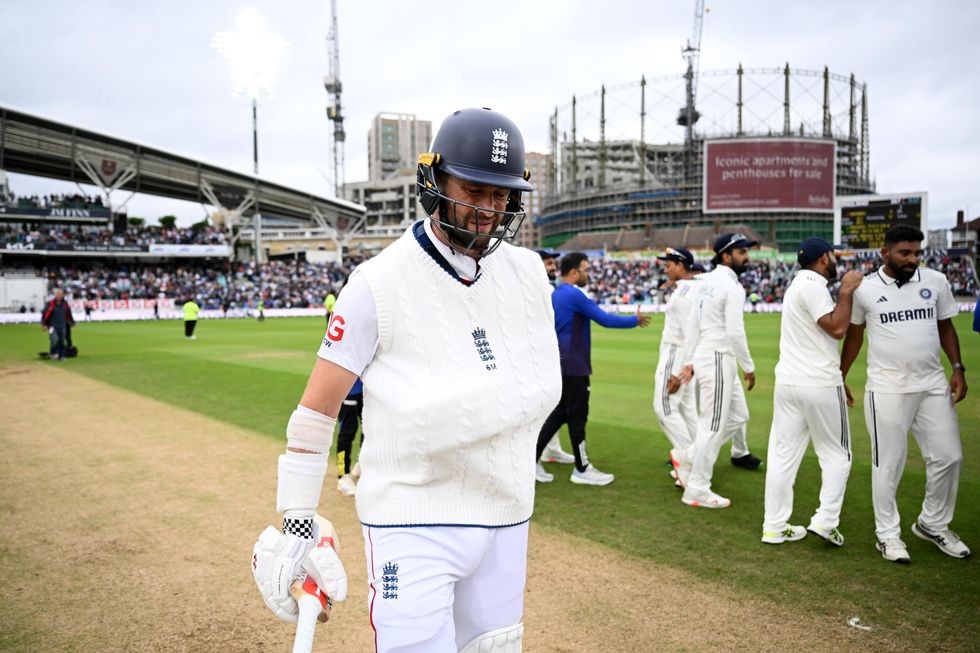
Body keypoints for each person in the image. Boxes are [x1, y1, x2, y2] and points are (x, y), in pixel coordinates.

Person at [251, 107, 561, 652]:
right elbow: (316, 411)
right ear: (434, 180)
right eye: (473, 190)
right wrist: (298, 523)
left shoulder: (528, 273)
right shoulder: (375, 284)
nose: (488, 210)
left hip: (508, 512)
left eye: (500, 196)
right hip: (411, 522)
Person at [841, 225, 970, 563]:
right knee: (889, 464)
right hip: (887, 388)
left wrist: (957, 367)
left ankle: (932, 523)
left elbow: (945, 326)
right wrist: (840, 375)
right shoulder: (866, 290)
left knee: (949, 456)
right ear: (885, 253)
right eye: (905, 253)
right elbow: (854, 336)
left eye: (917, 253)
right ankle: (887, 536)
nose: (913, 259)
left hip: (931, 384)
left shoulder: (935, 281)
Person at [761, 238, 863, 545]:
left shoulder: (796, 284)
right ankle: (826, 521)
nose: (835, 260)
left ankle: (774, 526)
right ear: (823, 259)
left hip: (789, 382)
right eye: (833, 255)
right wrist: (846, 290)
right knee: (837, 454)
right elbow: (836, 328)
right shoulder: (815, 284)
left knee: (782, 456)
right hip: (818, 381)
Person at [534, 251, 650, 486]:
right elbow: (605, 319)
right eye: (586, 270)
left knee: (559, 416)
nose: (588, 274)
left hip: (562, 364)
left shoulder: (558, 294)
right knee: (576, 418)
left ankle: (529, 463)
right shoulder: (573, 294)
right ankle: (582, 469)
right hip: (575, 366)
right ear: (574, 272)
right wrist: (634, 321)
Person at [671, 233, 763, 509]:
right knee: (712, 425)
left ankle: (688, 456)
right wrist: (749, 367)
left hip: (708, 356)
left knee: (738, 415)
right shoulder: (732, 288)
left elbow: (693, 326)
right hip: (719, 356)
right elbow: (735, 332)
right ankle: (697, 488)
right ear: (726, 256)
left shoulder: (706, 281)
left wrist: (689, 360)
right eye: (741, 252)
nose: (746, 256)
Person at [652, 247, 700, 486]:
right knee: (688, 412)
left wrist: (680, 369)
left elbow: (689, 334)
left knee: (664, 407)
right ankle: (699, 467)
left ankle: (687, 461)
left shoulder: (683, 296)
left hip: (676, 353)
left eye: (669, 263)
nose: (666, 267)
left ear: (681, 265)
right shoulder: (691, 289)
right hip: (684, 355)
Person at [534, 248, 576, 466]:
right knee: (540, 408)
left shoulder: (550, 288)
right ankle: (534, 460)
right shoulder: (533, 288)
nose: (553, 267)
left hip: (550, 354)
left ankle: (552, 450)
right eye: (548, 263)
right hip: (536, 357)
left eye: (553, 263)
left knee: (552, 403)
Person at [335, 377, 364, 497]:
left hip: (368, 389)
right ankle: (343, 476)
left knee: (370, 429)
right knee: (347, 432)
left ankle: (361, 463)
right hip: (347, 389)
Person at [41, 288, 74, 361]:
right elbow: (44, 314)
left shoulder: (65, 304)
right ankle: (53, 353)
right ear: (55, 295)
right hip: (52, 326)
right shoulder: (50, 304)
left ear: (62, 295)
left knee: (62, 341)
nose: (59, 296)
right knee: (54, 340)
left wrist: (71, 321)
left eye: (60, 294)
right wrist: (43, 324)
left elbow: (68, 314)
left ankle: (61, 356)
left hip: (62, 326)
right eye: (57, 294)